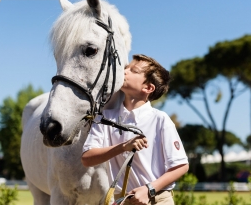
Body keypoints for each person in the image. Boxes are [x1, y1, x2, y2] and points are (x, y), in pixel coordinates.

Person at [81, 54, 189, 205]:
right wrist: (123, 147)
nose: (125, 71)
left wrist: (149, 189)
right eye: (126, 68)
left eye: (134, 70)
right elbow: (87, 159)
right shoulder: (104, 118)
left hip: (157, 199)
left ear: (148, 88)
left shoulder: (160, 120)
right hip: (122, 200)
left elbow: (181, 166)